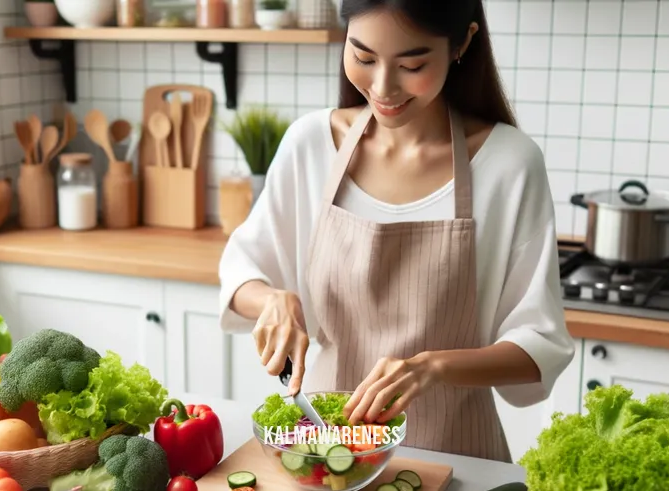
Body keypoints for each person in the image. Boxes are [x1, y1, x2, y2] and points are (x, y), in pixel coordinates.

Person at [217, 0, 575, 463]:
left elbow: (540, 345)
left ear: (462, 43)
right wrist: (273, 301)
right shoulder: (311, 144)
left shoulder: (509, 164)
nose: (382, 87)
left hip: (457, 455)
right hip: (324, 452)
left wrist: (433, 366)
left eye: (412, 64)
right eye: (363, 58)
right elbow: (240, 271)